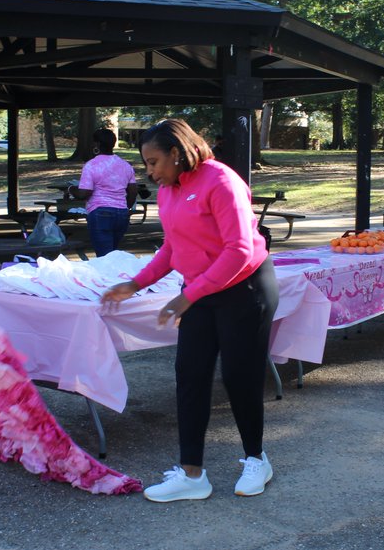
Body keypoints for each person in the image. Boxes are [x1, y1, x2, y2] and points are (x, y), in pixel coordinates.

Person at [101, 119, 278, 501]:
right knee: (190, 375)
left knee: (238, 376)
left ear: (178, 154)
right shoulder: (169, 189)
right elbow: (173, 247)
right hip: (201, 291)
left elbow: (239, 250)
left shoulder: (221, 181)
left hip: (244, 287)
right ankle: (192, 473)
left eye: (154, 162)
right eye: (146, 164)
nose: (150, 171)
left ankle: (256, 458)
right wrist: (135, 284)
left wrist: (188, 295)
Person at [69, 127, 138, 257]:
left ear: (97, 144)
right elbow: (133, 192)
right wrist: (124, 208)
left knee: (105, 258)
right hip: (121, 214)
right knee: (112, 254)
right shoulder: (126, 165)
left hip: (100, 212)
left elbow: (84, 193)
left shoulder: (91, 165)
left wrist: (71, 189)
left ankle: (109, 277)